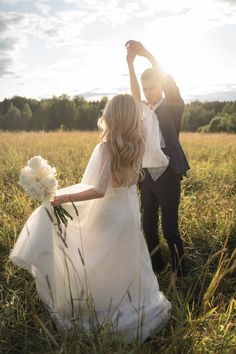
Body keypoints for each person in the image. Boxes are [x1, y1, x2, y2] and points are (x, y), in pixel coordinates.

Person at [9, 94, 171, 343]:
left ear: (111, 116)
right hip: (128, 213)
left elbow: (98, 189)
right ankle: (137, 308)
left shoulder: (107, 147)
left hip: (108, 213)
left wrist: (59, 199)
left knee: (96, 262)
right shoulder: (140, 140)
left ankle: (101, 311)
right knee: (126, 262)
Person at [126, 40, 190, 275]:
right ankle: (156, 267)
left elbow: (167, 78)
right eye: (146, 89)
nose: (149, 92)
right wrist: (130, 65)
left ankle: (181, 270)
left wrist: (146, 54)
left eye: (153, 87)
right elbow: (134, 94)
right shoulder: (142, 109)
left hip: (168, 172)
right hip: (146, 175)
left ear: (161, 87)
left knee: (169, 227)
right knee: (148, 226)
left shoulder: (173, 105)